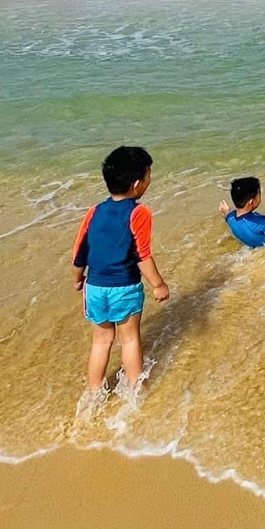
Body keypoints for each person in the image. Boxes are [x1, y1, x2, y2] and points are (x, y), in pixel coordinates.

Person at [71, 145, 171, 396]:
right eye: (148, 176)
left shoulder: (94, 211)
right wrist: (158, 284)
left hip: (94, 287)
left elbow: (80, 249)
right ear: (137, 184)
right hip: (124, 287)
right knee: (129, 339)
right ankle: (137, 389)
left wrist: (77, 280)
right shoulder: (139, 212)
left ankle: (94, 393)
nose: (149, 181)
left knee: (101, 341)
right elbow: (142, 255)